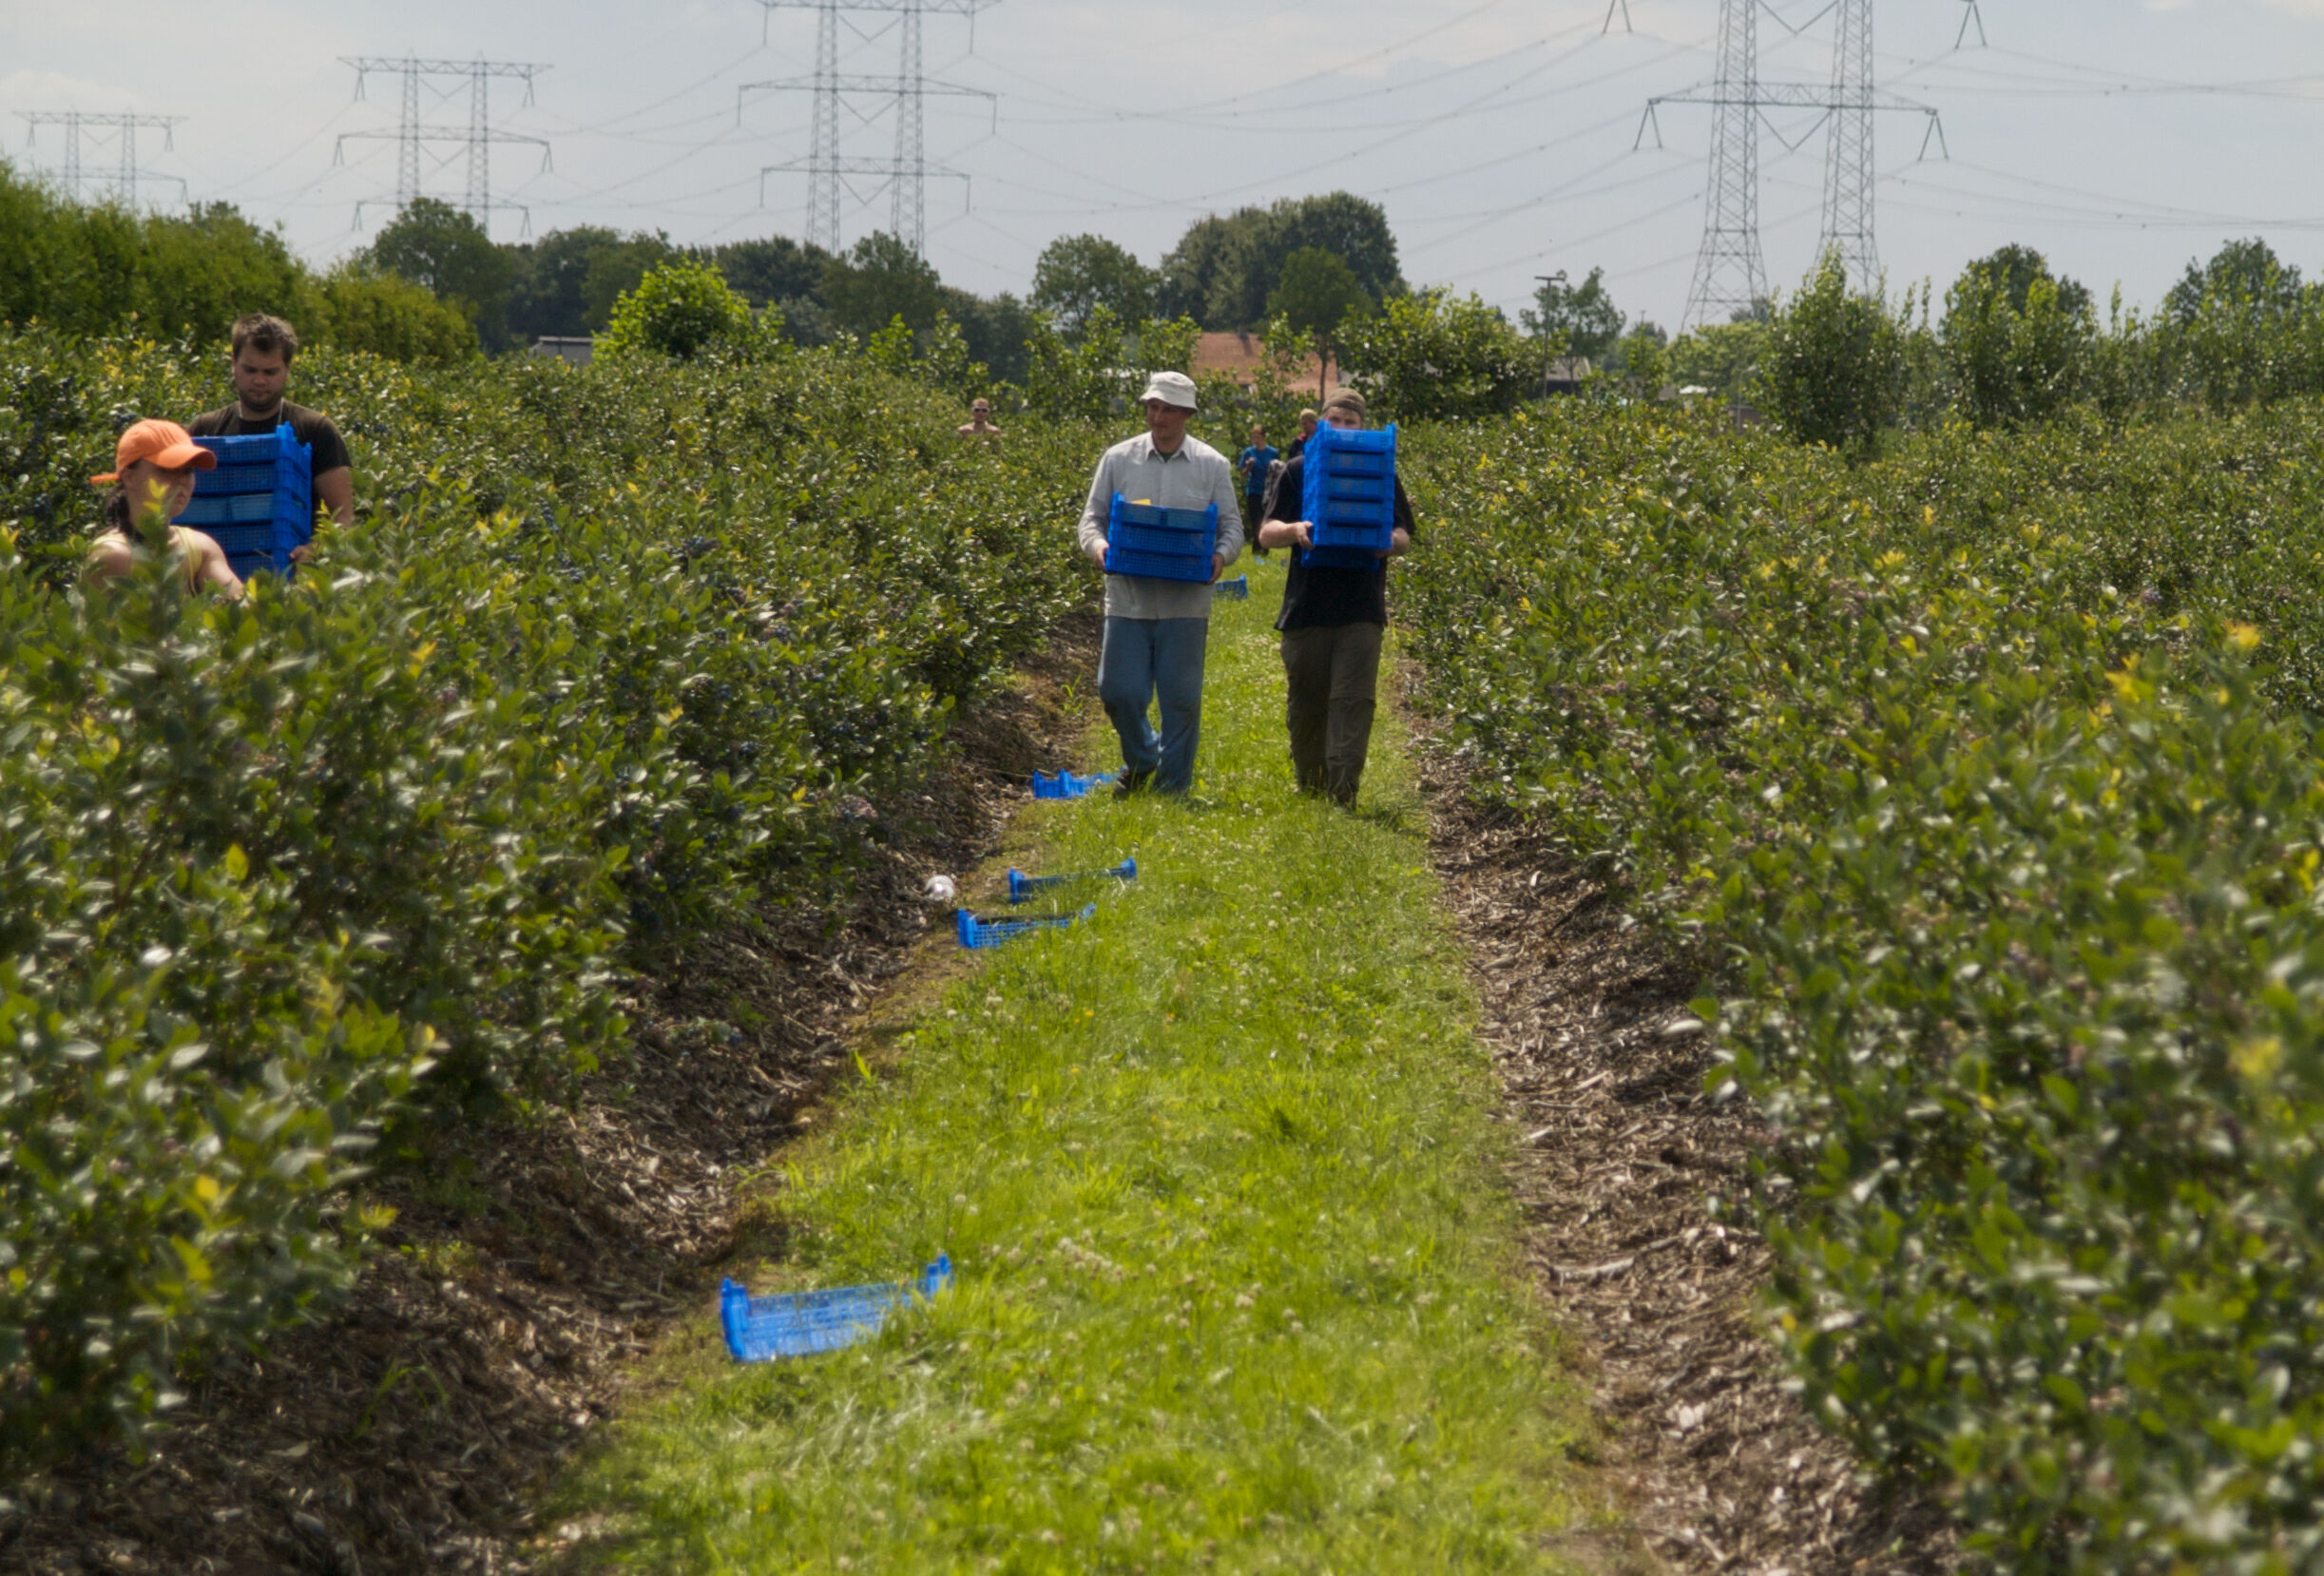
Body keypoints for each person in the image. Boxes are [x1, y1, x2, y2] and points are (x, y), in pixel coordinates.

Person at [1074, 370, 1244, 798]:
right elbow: (1090, 520)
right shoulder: (1118, 459)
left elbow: (1232, 528)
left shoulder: (1212, 465)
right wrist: (1099, 549)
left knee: (1181, 700)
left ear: (1187, 413)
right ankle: (1143, 757)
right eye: (1153, 406)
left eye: (1168, 408)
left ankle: (1172, 792)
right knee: (1117, 691)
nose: (1159, 416)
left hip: (1185, 604)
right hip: (1128, 600)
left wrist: (1220, 558)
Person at [1255, 389, 1412, 806]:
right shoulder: (1297, 470)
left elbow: (1404, 534)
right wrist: (1294, 531)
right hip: (1306, 609)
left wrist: (1387, 543)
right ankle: (1311, 786)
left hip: (1361, 607)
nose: (1342, 429)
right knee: (1308, 704)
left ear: (1363, 428)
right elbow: (1265, 533)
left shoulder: (1381, 470)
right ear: (1321, 425)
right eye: (1335, 421)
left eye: (1351, 423)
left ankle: (1344, 794)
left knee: (1352, 700)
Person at [186, 314, 354, 563]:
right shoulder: (205, 429)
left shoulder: (315, 430)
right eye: (250, 369)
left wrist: (315, 549)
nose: (259, 380)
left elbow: (344, 518)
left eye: (271, 372)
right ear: (233, 363)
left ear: (287, 369)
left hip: (289, 575)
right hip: (215, 576)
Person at [85, 418, 244, 599]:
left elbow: (247, 613)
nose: (182, 480)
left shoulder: (201, 549)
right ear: (129, 478)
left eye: (188, 471)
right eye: (166, 469)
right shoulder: (112, 555)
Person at [1235, 423, 1279, 560]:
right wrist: (1248, 467)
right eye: (1253, 436)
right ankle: (1256, 549)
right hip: (1254, 490)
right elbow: (1242, 473)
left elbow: (1278, 470)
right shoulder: (1249, 452)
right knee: (1256, 520)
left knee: (1266, 519)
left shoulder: (1272, 452)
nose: (1255, 439)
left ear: (1263, 436)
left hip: (1268, 491)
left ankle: (1265, 548)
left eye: (1257, 436)